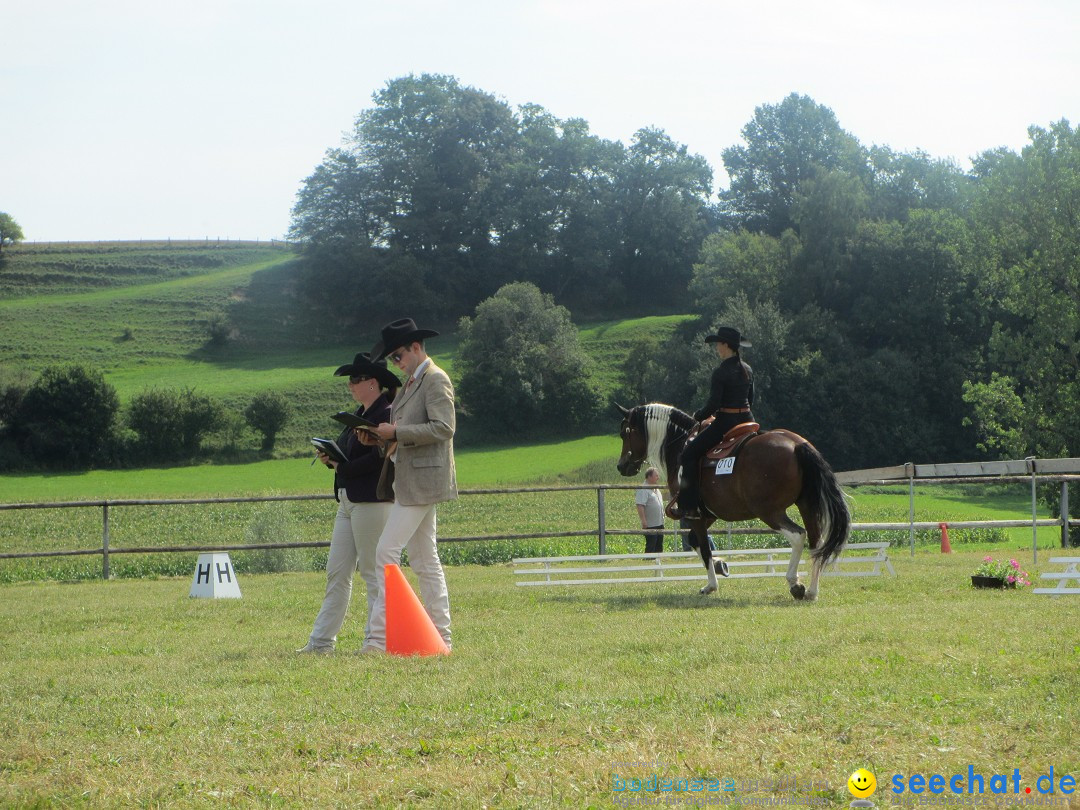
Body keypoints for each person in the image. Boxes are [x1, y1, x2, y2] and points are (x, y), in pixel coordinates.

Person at [364, 318, 457, 653]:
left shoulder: (435, 379)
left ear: (416, 348)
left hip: (424, 480)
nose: (397, 363)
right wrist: (378, 436)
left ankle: (377, 638)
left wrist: (397, 434)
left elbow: (444, 428)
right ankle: (441, 636)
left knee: (386, 552)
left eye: (399, 356)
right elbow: (399, 433)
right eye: (392, 359)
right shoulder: (409, 385)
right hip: (411, 479)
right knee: (423, 558)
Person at [296, 352, 400, 654]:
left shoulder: (387, 413)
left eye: (356, 379)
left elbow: (376, 460)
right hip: (347, 499)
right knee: (337, 572)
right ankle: (320, 642)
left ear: (373, 383)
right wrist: (332, 459)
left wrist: (342, 467)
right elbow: (351, 456)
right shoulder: (359, 413)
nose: (351, 385)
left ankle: (376, 642)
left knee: (372, 573)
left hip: (372, 500)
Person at [675, 326, 755, 520]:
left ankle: (688, 506)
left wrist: (699, 415)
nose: (716, 348)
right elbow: (751, 400)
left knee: (688, 454)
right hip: (748, 421)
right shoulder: (747, 369)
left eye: (718, 344)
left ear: (726, 346)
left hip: (726, 424)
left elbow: (714, 404)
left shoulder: (721, 372)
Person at [635, 467, 665, 555]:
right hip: (650, 524)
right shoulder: (643, 490)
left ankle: (658, 562)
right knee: (651, 545)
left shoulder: (656, 489)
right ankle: (648, 561)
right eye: (656, 475)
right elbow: (640, 505)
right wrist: (643, 521)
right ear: (649, 477)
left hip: (660, 523)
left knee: (659, 545)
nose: (658, 477)